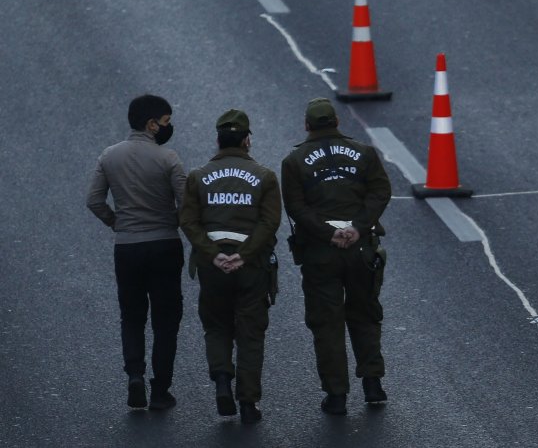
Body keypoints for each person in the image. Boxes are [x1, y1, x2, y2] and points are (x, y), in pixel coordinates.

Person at [281, 97, 391, 415]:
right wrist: (357, 228)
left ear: (307, 125)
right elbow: (380, 191)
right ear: (337, 123)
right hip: (361, 250)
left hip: (320, 253)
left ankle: (337, 394)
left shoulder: (294, 161)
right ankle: (373, 384)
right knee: (365, 315)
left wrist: (329, 233)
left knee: (326, 324)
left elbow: (296, 208)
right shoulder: (365, 153)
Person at [179, 109, 281, 425]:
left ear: (217, 140)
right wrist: (244, 254)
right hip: (250, 267)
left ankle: (222, 381)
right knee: (251, 334)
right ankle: (248, 403)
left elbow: (188, 221)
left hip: (213, 268)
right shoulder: (264, 177)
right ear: (247, 140)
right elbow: (270, 223)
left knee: (217, 325)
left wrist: (213, 254)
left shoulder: (198, 176)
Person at [86, 94, 185, 411]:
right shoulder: (168, 159)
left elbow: (94, 201)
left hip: (127, 248)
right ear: (152, 124)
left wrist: (117, 223)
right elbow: (188, 204)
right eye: (166, 122)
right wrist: (173, 223)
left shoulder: (109, 156)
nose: (169, 128)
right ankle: (161, 389)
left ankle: (135, 377)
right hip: (164, 245)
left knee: (132, 315)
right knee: (166, 318)